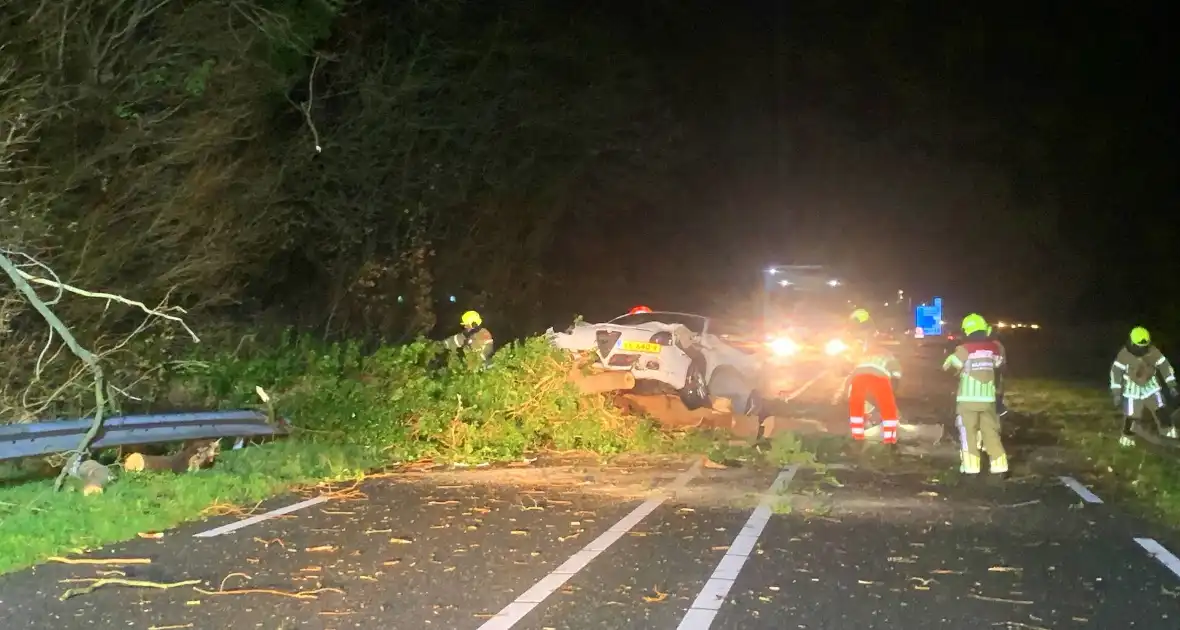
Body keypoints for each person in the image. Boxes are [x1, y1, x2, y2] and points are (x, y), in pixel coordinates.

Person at [943, 313, 1007, 476]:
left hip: (968, 400)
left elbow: (951, 368)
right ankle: (999, 465)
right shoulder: (993, 349)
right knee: (990, 432)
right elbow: (999, 365)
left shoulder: (964, 349)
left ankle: (971, 467)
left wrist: (950, 360)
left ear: (967, 331)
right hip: (988, 400)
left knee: (968, 432)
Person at [1110, 326, 1178, 446]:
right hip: (1132, 388)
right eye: (1138, 347)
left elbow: (1164, 366)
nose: (1141, 350)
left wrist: (1172, 384)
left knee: (1160, 407)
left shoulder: (1153, 352)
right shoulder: (1124, 355)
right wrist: (1116, 393)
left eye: (1144, 347)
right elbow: (1116, 372)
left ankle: (1168, 430)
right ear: (1131, 343)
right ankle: (1128, 436)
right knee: (1132, 414)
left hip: (1150, 385)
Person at [847, 342, 904, 445]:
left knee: (857, 407)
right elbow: (896, 373)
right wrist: (894, 389)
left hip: (858, 377)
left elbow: (851, 375)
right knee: (887, 407)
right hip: (879, 377)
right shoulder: (888, 356)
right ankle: (889, 439)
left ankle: (857, 436)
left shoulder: (864, 356)